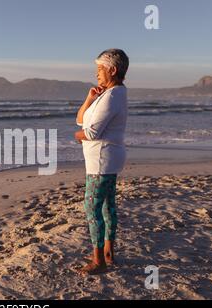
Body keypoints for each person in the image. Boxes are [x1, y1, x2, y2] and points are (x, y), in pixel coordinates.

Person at [74, 48, 129, 275]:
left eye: (100, 69)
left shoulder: (113, 95)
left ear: (112, 70)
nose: (96, 73)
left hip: (101, 160)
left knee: (92, 208)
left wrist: (77, 137)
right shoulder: (110, 93)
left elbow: (91, 132)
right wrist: (90, 98)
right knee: (107, 206)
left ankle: (99, 261)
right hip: (106, 158)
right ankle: (108, 252)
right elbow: (80, 120)